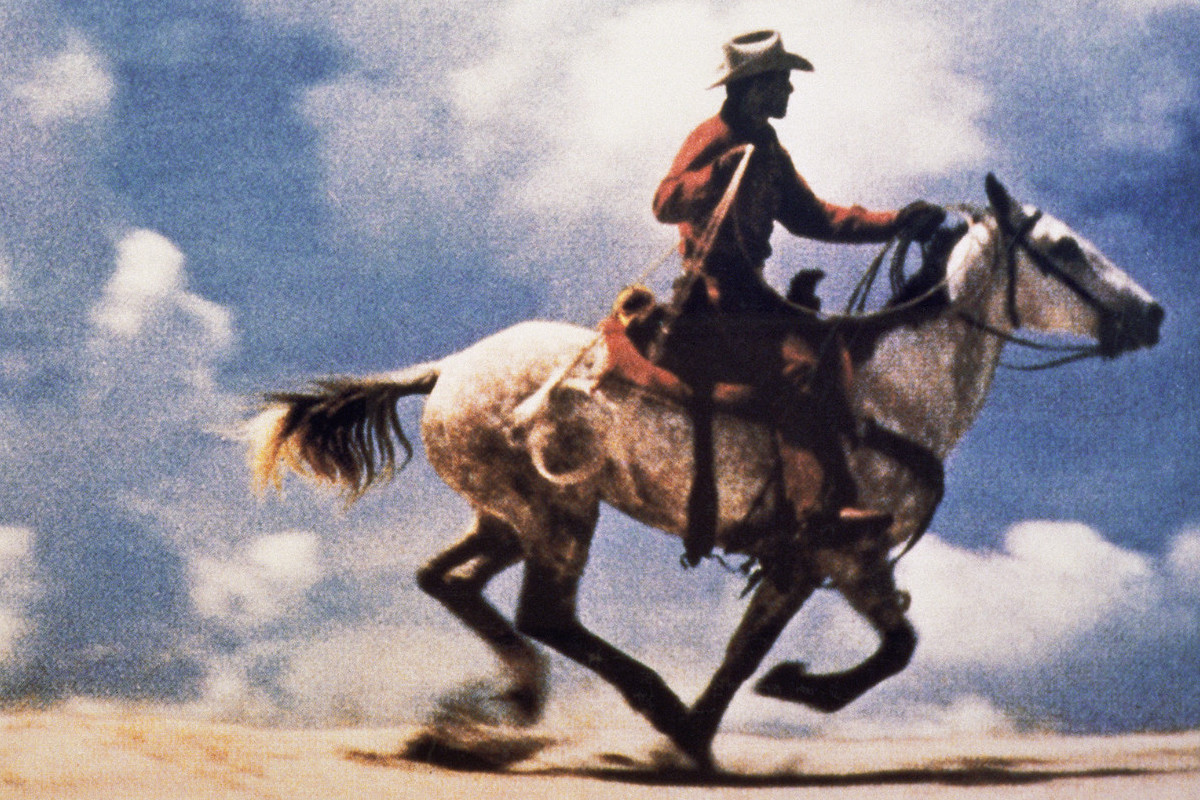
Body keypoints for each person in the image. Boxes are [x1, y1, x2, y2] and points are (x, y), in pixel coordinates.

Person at [652, 30, 945, 564]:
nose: (789, 92)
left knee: (835, 349)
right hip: (714, 296)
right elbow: (666, 201)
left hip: (751, 295)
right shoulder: (715, 136)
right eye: (781, 81)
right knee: (800, 370)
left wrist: (897, 222)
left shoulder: (766, 148)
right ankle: (815, 511)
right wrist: (716, 173)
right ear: (753, 88)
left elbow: (816, 218)